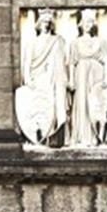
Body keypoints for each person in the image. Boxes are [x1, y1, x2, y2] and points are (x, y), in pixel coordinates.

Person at [14, 8, 68, 146]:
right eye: (44, 21)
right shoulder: (32, 43)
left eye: (48, 22)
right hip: (38, 80)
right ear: (39, 24)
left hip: (54, 79)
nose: (46, 24)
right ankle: (39, 135)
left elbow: (63, 61)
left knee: (54, 106)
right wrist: (28, 79)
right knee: (40, 107)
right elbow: (27, 63)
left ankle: (54, 136)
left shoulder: (57, 41)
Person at [66, 8, 107, 148]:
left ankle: (96, 136)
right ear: (81, 24)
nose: (87, 25)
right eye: (85, 22)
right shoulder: (75, 43)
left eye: (90, 22)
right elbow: (71, 63)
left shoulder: (101, 42)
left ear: (93, 24)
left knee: (96, 102)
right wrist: (71, 80)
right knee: (82, 102)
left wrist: (106, 78)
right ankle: (82, 137)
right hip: (81, 74)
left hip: (96, 74)